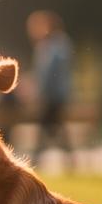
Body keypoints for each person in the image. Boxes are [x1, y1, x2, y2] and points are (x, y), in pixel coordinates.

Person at [26, 10, 75, 170]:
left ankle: (35, 163)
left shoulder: (52, 46)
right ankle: (69, 162)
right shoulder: (61, 44)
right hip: (58, 96)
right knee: (55, 129)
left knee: (47, 128)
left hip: (53, 97)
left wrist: (38, 93)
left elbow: (48, 74)